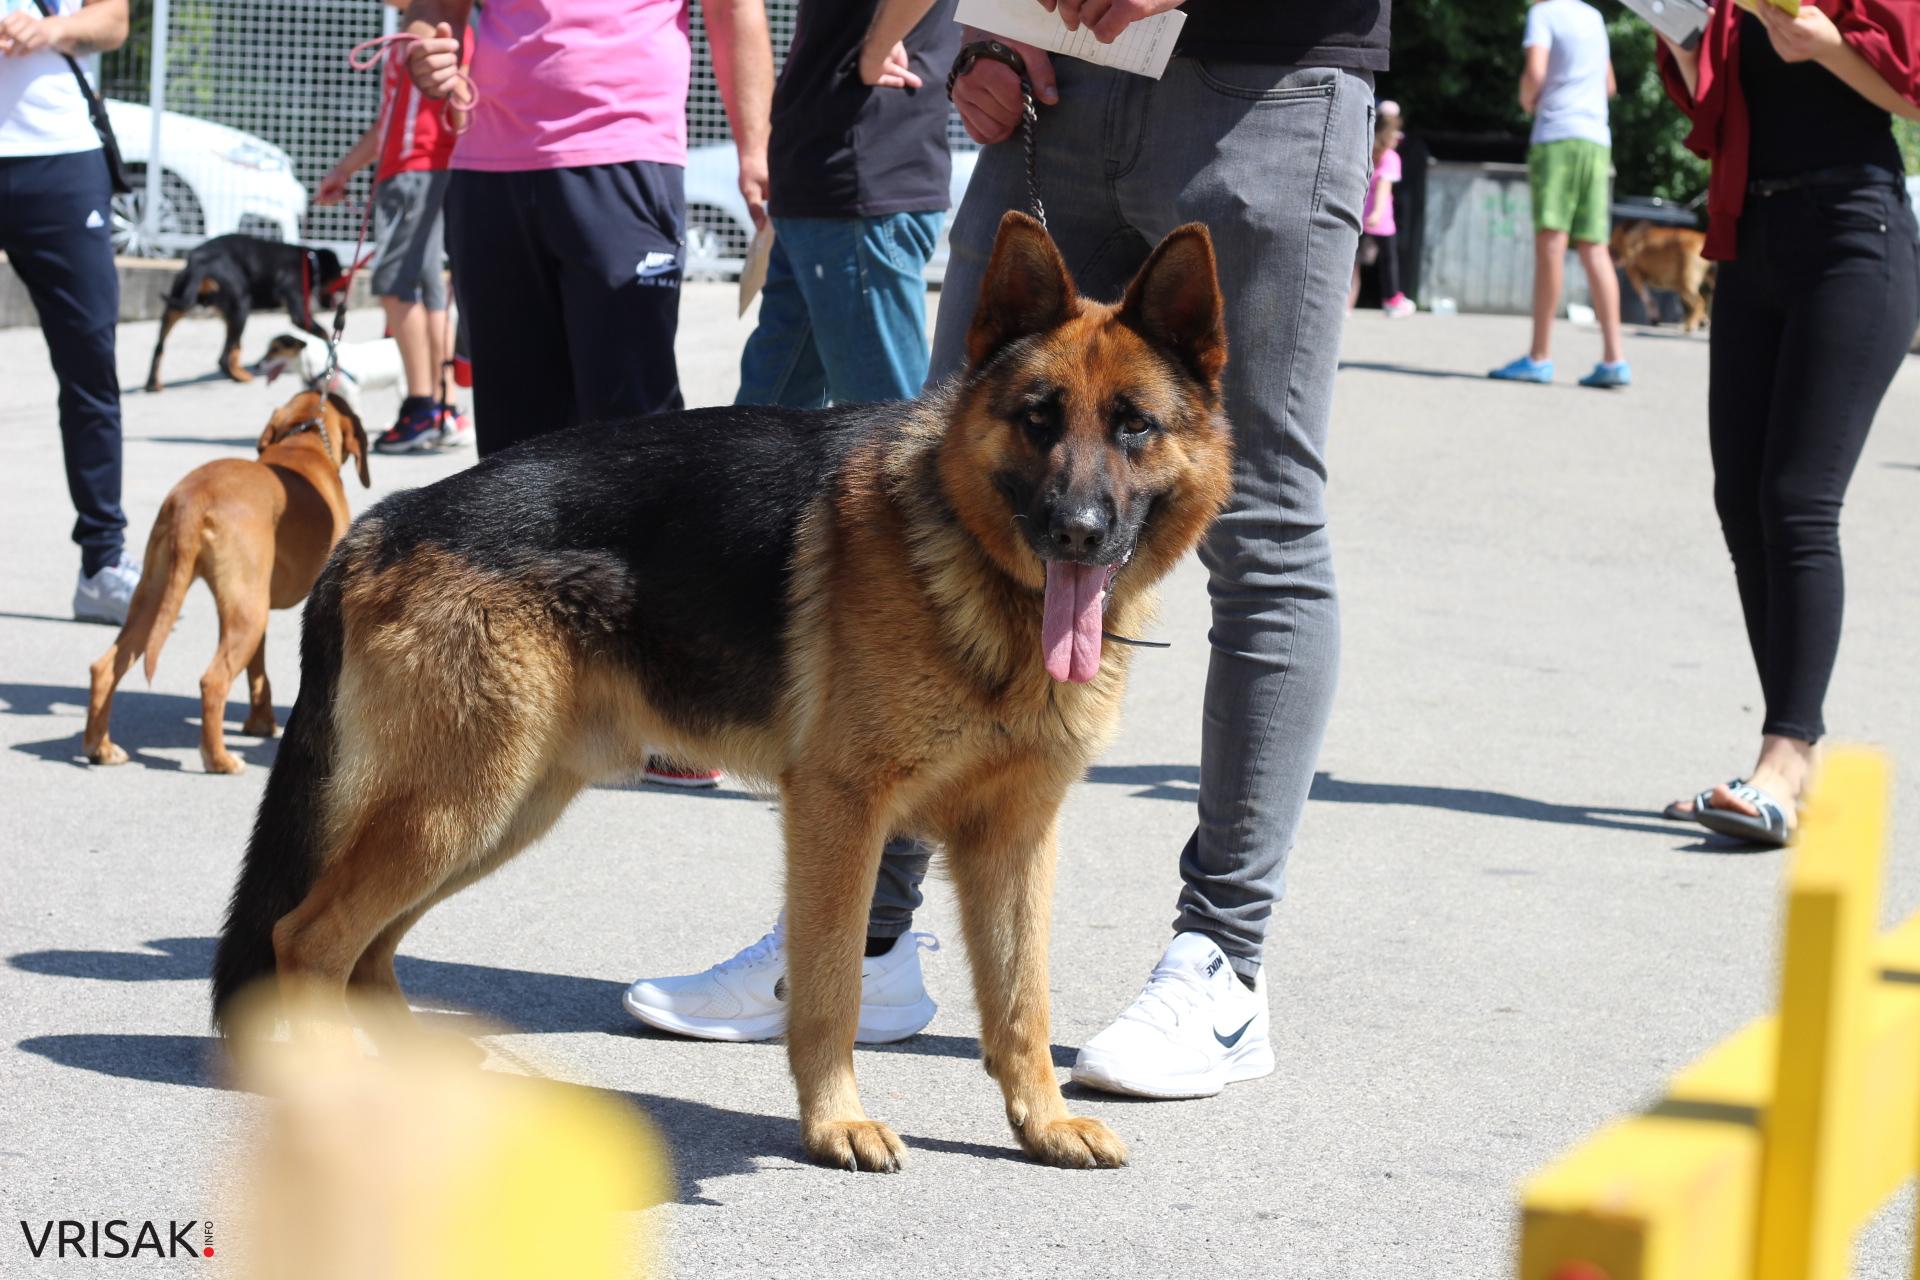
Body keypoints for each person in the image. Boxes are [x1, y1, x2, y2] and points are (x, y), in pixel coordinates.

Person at [630, 0, 1387, 1101]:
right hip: (1064, 76)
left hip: (1267, 79)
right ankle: (867, 942)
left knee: (1261, 522)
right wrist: (983, 35)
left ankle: (1222, 957)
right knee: (949, 477)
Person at [1656, 1, 1919, 845]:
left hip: (1855, 233)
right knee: (1743, 501)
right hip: (1750, 235)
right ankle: (1789, 766)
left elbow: (1913, 92)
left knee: (1799, 498)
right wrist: (1677, 31)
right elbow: (1710, 109)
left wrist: (1829, 46)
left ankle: (1783, 758)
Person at [403, 0, 773, 455]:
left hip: (624, 154)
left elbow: (732, 10)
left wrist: (755, 148)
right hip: (489, 167)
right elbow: (435, 9)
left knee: (631, 426)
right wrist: (426, 50)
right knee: (511, 439)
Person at [0, 0, 137, 624]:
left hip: (60, 157)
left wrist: (48, 28)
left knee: (90, 365)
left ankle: (102, 563)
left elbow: (113, 21)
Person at [315, 0, 468, 454]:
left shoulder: (433, 23)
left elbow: (459, 99)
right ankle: (445, 408)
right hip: (419, 167)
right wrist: (344, 170)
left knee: (394, 284)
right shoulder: (416, 24)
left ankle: (422, 407)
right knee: (425, 288)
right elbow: (389, 122)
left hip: (415, 169)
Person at [1490, 0, 1631, 389]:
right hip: (1596, 139)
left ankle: (1539, 357)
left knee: (1551, 242)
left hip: (1558, 135)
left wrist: (1526, 98)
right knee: (1594, 246)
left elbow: (1535, 73)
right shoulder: (1593, 16)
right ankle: (1614, 359)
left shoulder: (1544, 14)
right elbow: (1610, 85)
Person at [1353, 110, 1415, 317]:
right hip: (1380, 218)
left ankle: (1345, 304)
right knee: (1388, 260)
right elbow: (1383, 187)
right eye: (1396, 133)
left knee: (1352, 263)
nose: (1399, 138)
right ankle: (1392, 299)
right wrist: (1378, 212)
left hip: (1359, 213)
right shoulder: (1391, 157)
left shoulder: (1367, 152)